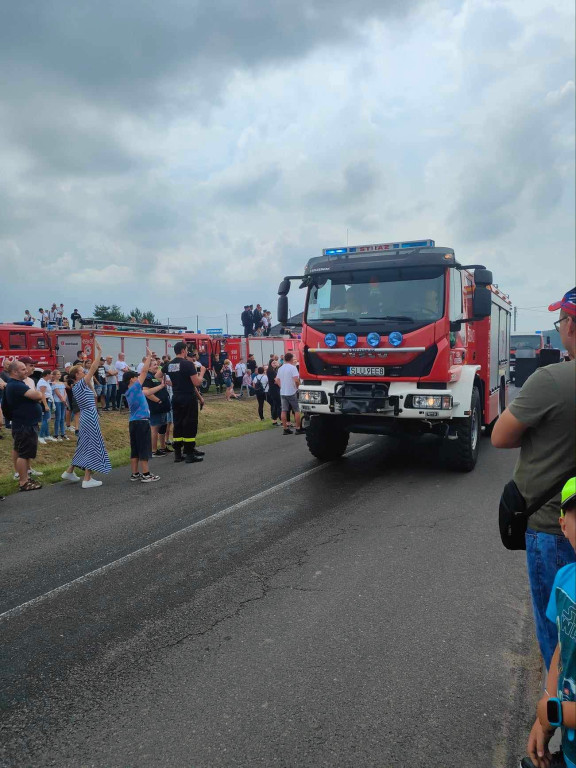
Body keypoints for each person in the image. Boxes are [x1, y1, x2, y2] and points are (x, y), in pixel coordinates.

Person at [492, 287, 576, 670]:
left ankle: (555, 718)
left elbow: (500, 436)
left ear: (571, 325)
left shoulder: (552, 381)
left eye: (560, 322)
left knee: (561, 646)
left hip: (555, 528)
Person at [523, 477, 576, 768]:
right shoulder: (565, 579)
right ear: (563, 526)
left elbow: (553, 712)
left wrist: (552, 714)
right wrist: (546, 702)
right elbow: (561, 650)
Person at [61, 342, 112, 489]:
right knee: (93, 444)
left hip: (86, 415)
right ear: (77, 375)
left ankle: (69, 471)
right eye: (82, 371)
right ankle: (87, 478)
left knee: (84, 444)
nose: (85, 372)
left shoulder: (77, 385)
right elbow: (94, 367)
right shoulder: (81, 384)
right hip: (89, 415)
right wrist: (99, 352)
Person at [1, 360, 44, 491]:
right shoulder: (16, 385)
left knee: (22, 452)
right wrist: (39, 395)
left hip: (23, 423)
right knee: (23, 454)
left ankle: (25, 477)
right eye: (23, 369)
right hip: (24, 424)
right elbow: (37, 395)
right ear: (14, 372)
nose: (26, 371)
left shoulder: (14, 384)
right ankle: (23, 482)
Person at [163, 341, 206, 464]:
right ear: (183, 350)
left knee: (178, 424)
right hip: (188, 397)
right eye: (186, 350)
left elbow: (158, 374)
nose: (187, 351)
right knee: (190, 424)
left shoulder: (169, 365)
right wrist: (202, 371)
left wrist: (171, 382)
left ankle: (178, 454)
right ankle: (189, 454)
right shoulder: (188, 364)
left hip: (176, 397)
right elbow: (197, 383)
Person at [123, 350, 162, 482]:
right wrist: (149, 356)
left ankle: (135, 474)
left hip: (133, 422)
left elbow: (148, 390)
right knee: (144, 447)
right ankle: (146, 474)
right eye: (135, 376)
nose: (137, 377)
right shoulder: (134, 388)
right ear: (131, 380)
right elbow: (144, 372)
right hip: (141, 422)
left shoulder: (130, 392)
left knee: (135, 448)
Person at [144, 357, 173, 457]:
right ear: (148, 367)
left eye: (157, 364)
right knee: (155, 428)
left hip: (163, 407)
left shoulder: (155, 376)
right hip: (156, 407)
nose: (157, 366)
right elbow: (147, 392)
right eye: (154, 365)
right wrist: (158, 401)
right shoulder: (147, 377)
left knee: (163, 427)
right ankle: (154, 450)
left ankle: (163, 447)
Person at [275, 352, 305, 435]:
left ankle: (285, 428)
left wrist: (282, 386)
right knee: (296, 410)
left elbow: (277, 380)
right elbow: (296, 380)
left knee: (284, 410)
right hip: (291, 391)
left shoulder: (280, 368)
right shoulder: (293, 368)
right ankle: (298, 428)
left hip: (283, 392)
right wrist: (298, 387)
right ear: (291, 359)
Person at [36, 370, 55, 443]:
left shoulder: (46, 382)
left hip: (48, 401)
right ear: (47, 375)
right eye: (51, 374)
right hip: (45, 401)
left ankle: (47, 435)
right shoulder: (42, 383)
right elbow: (42, 394)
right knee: (46, 419)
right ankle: (40, 436)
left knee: (48, 419)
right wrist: (46, 405)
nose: (52, 376)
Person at [51, 370, 69, 440]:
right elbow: (57, 393)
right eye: (58, 374)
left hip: (63, 402)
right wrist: (63, 399)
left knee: (62, 418)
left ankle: (63, 433)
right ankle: (56, 434)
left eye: (60, 374)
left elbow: (65, 392)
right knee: (58, 418)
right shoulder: (54, 383)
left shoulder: (62, 383)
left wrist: (64, 399)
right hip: (57, 401)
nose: (59, 375)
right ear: (54, 376)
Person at [266, 359, 281, 426]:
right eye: (273, 363)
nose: (275, 364)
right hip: (274, 390)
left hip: (273, 389)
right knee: (279, 405)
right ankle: (281, 420)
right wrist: (281, 385)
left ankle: (274, 420)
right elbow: (276, 380)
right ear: (270, 364)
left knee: (275, 405)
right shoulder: (271, 371)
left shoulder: (272, 370)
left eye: (275, 363)